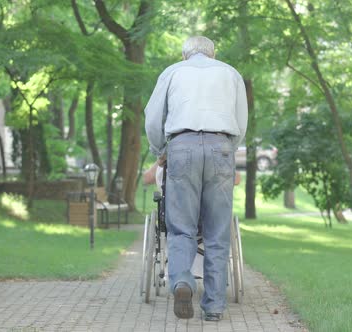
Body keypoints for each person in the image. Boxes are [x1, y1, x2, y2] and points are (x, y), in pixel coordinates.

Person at [144, 36, 248, 321]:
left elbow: (153, 118)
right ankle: (214, 307)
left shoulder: (172, 72)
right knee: (217, 231)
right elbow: (241, 120)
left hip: (182, 146)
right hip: (221, 146)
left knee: (181, 228)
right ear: (213, 53)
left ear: (184, 54)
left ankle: (182, 282)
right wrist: (228, 146)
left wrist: (160, 150)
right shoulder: (230, 73)